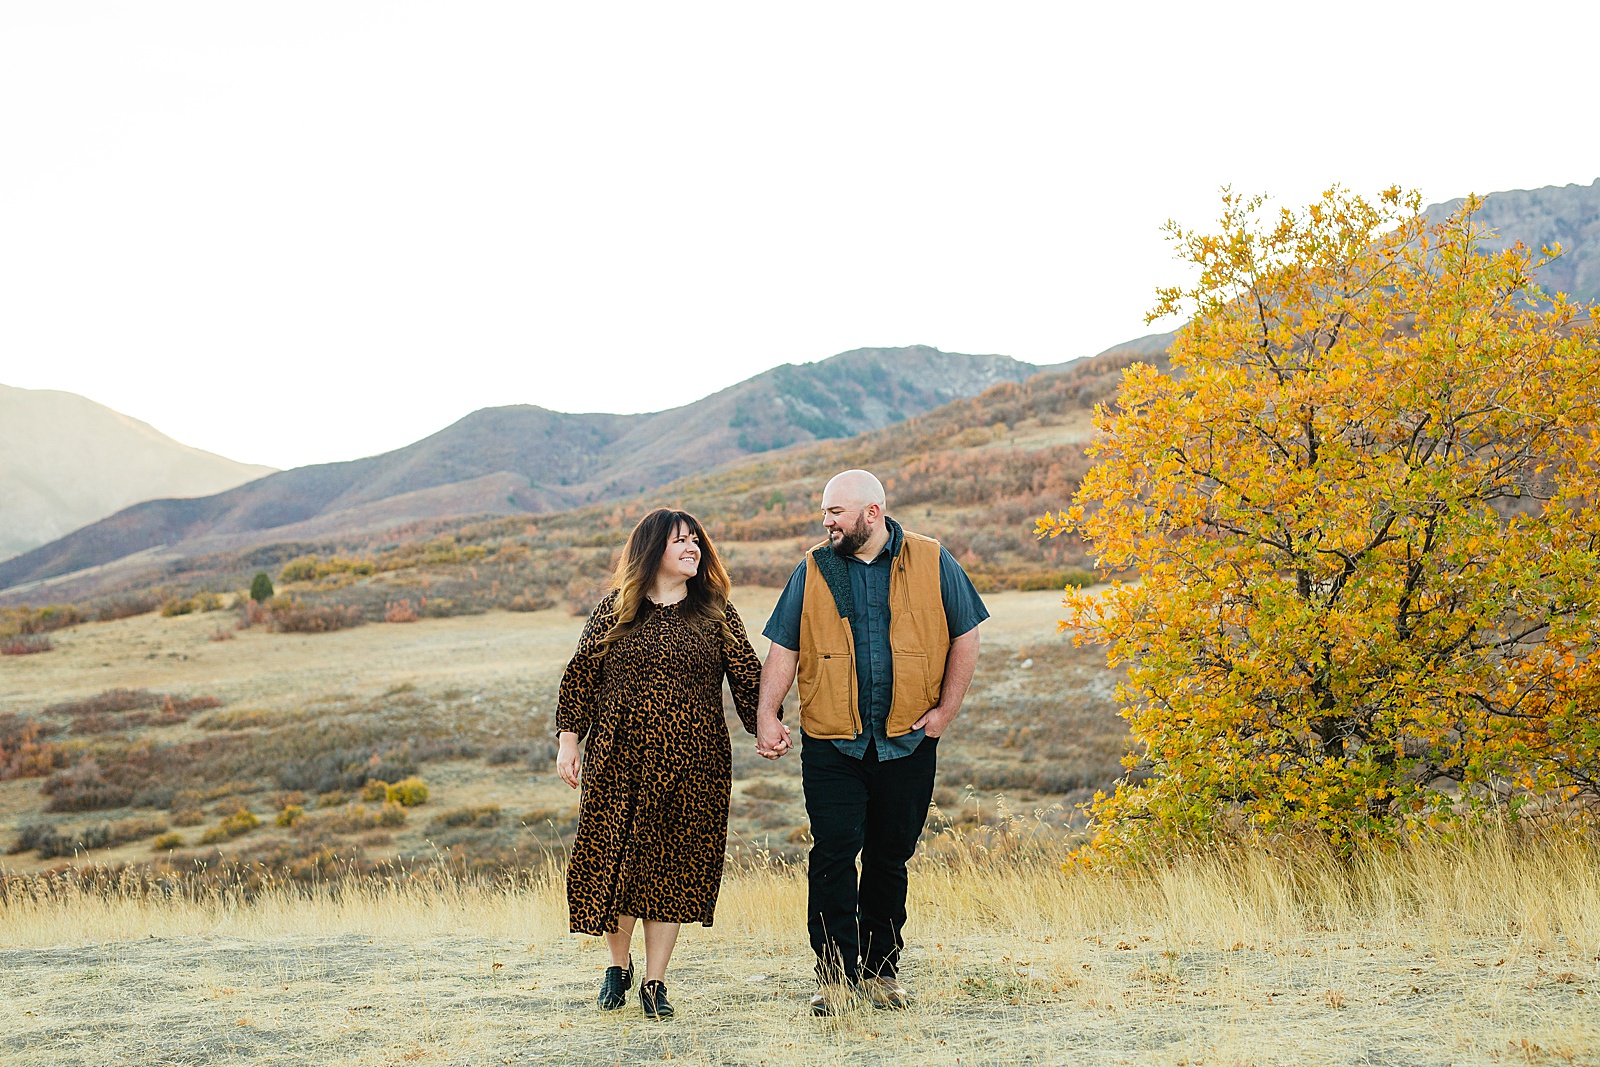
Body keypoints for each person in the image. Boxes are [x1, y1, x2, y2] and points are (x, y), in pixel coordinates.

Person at [752, 469, 987, 1016]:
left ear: (872, 513)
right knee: (834, 854)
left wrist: (945, 712)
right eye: (825, 512)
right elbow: (783, 647)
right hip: (833, 743)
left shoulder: (932, 560)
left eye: (836, 511)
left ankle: (882, 974)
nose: (827, 521)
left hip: (908, 741)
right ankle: (835, 979)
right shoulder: (813, 568)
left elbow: (966, 633)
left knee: (889, 857)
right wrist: (768, 713)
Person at [555, 507, 762, 1020]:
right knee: (618, 863)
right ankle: (617, 967)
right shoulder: (615, 609)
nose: (692, 548)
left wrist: (768, 727)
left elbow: (749, 678)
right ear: (654, 551)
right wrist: (568, 741)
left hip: (694, 764)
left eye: (696, 540)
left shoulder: (715, 611)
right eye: (680, 541)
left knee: (670, 869)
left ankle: (655, 982)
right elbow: (580, 675)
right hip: (616, 759)